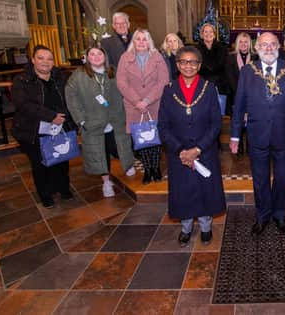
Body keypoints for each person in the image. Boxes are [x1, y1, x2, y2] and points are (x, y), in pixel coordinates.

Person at [230, 32, 285, 235]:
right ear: (257, 48)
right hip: (257, 134)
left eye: (272, 44)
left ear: (279, 46)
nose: (268, 48)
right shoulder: (247, 71)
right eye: (264, 45)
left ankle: (280, 215)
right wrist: (235, 136)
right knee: (260, 178)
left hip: (283, 133)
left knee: (281, 178)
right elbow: (239, 106)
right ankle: (262, 216)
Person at [158, 46, 226, 246]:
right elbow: (163, 125)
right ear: (178, 64)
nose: (189, 66)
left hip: (204, 151)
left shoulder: (209, 88)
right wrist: (180, 150)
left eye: (193, 62)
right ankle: (186, 228)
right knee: (183, 191)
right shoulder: (169, 90)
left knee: (204, 190)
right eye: (184, 62)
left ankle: (206, 226)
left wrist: (198, 149)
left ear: (199, 65)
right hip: (178, 153)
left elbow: (216, 124)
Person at [66, 46, 135, 198]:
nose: (96, 57)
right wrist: (82, 120)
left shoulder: (114, 72)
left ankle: (128, 164)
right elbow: (72, 99)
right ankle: (106, 182)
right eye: (92, 54)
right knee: (100, 153)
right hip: (93, 122)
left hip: (116, 119)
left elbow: (127, 89)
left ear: (105, 56)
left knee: (120, 147)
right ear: (87, 57)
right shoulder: (78, 76)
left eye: (99, 53)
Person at [12, 45, 75, 208]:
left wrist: (64, 116)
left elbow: (70, 98)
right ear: (33, 60)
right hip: (34, 128)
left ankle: (63, 188)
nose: (45, 62)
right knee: (40, 163)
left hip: (60, 125)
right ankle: (45, 194)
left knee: (61, 159)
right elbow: (23, 104)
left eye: (49, 58)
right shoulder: (21, 80)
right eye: (41, 58)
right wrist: (50, 116)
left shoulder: (60, 77)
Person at [117, 29, 169, 184]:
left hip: (154, 103)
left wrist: (146, 101)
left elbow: (163, 81)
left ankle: (156, 168)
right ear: (133, 41)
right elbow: (121, 82)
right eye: (138, 39)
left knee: (155, 138)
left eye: (144, 39)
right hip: (134, 106)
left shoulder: (157, 57)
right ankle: (147, 169)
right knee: (141, 139)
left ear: (149, 42)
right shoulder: (125, 58)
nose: (141, 42)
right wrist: (137, 101)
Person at [225, 32, 254, 115]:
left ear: (249, 44)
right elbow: (230, 77)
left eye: (246, 42)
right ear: (237, 43)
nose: (243, 44)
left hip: (252, 94)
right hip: (235, 93)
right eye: (241, 42)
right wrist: (239, 91)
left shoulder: (255, 58)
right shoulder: (230, 57)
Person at [197, 23, 228, 96]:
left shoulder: (222, 49)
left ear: (214, 34)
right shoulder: (196, 49)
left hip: (220, 84)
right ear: (202, 34)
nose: (208, 34)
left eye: (211, 32)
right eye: (206, 32)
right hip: (202, 84)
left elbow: (223, 66)